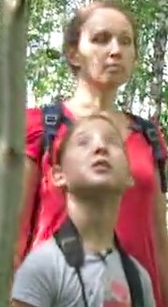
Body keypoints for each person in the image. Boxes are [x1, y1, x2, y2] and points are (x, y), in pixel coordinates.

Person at [15, 0, 168, 307]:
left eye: (125, 42)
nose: (115, 50)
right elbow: (14, 236)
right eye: (101, 39)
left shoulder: (148, 135)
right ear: (74, 53)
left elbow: (159, 243)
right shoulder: (41, 126)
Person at [11, 112, 156, 307]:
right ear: (58, 175)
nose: (100, 147)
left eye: (112, 142)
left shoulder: (138, 279)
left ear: (129, 176)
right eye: (83, 142)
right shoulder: (42, 267)